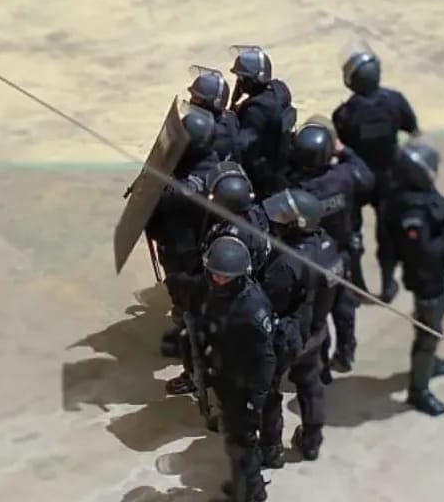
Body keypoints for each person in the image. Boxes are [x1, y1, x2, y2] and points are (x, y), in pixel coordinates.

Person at [389, 141, 444, 416]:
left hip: (435, 277)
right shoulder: (411, 212)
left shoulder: (420, 194)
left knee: (432, 327)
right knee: (428, 333)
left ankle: (429, 363)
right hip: (427, 280)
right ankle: (419, 392)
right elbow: (424, 252)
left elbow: (443, 211)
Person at [184, 236, 277, 502]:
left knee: (242, 444)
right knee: (236, 441)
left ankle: (251, 493)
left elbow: (266, 359)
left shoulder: (252, 309)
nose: (219, 280)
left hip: (244, 385)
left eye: (225, 277)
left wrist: (255, 401)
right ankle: (245, 486)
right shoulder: (216, 288)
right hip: (226, 373)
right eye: (215, 274)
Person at [259, 188, 343, 462]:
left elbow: (268, 300)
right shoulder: (329, 246)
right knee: (310, 385)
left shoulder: (287, 262)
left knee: (268, 391)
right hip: (316, 333)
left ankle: (271, 447)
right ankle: (312, 441)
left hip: (287, 337)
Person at [331, 48, 419, 304]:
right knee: (388, 231)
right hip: (389, 177)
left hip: (357, 177)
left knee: (352, 231)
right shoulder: (395, 101)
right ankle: (388, 282)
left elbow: (340, 147)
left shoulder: (345, 113)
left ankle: (357, 285)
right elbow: (413, 130)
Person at [285, 121, 374, 373]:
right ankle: (345, 353)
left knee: (316, 315)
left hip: (311, 259)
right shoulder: (343, 177)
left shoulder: (294, 189)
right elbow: (366, 178)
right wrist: (344, 151)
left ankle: (321, 365)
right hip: (340, 255)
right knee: (344, 307)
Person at [146, 107, 220, 357]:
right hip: (185, 238)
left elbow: (160, 199)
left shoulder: (194, 181)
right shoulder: (206, 159)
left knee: (184, 290)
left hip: (184, 246)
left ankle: (190, 332)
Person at [231, 47, 297, 199]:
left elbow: (241, 147)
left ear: (252, 81)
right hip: (282, 161)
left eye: (242, 78)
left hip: (263, 179)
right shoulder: (279, 89)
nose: (239, 82)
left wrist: (231, 117)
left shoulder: (255, 111)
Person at [187, 66, 240, 162]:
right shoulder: (230, 116)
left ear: (213, 104)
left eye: (196, 99)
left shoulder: (210, 136)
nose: (190, 101)